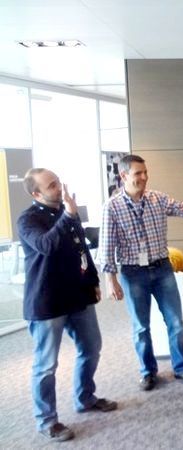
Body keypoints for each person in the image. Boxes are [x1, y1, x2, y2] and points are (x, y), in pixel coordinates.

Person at [18, 168, 117, 443]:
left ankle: (85, 397)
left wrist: (94, 280)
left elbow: (80, 249)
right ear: (36, 193)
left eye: (58, 181)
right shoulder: (28, 219)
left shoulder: (65, 211)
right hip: (47, 303)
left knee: (92, 348)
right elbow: (45, 245)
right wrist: (68, 217)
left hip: (79, 296)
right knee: (46, 365)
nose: (59, 187)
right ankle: (47, 421)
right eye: (51, 185)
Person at [99, 154, 183, 391]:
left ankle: (182, 367)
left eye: (145, 172)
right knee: (141, 327)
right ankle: (148, 372)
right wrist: (110, 279)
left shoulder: (157, 198)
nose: (144, 177)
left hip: (162, 269)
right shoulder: (112, 207)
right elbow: (106, 245)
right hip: (132, 273)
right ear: (124, 175)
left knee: (175, 322)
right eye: (138, 173)